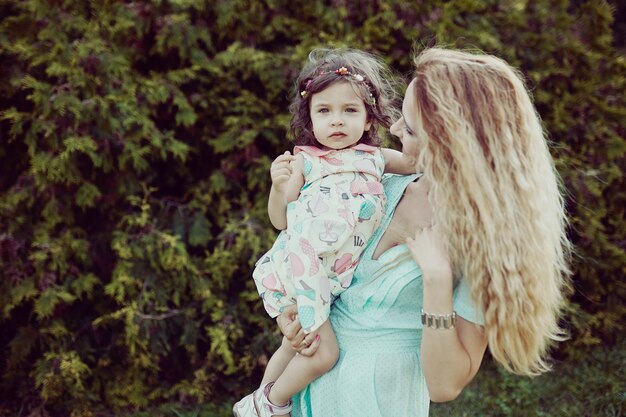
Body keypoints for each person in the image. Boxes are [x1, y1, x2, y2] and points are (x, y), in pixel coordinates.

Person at [276, 47, 571, 417]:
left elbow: (445, 385)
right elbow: (315, 256)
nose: (394, 129)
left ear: (452, 141)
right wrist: (294, 314)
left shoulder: (486, 242)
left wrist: (436, 280)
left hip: (379, 401)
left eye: (410, 127)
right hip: (314, 390)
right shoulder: (382, 184)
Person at [233, 49, 415, 417]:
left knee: (295, 344)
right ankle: (271, 404)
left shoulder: (377, 158)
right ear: (310, 118)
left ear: (368, 118)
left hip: (332, 278)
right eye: (324, 111)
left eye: (350, 110)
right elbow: (280, 220)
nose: (337, 120)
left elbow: (416, 161)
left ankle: (259, 400)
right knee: (323, 352)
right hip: (304, 267)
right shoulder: (305, 161)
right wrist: (276, 186)